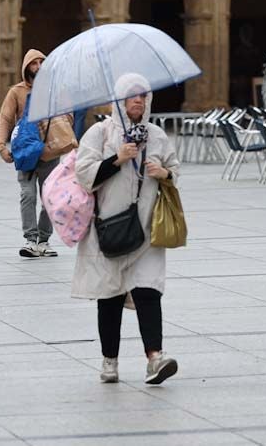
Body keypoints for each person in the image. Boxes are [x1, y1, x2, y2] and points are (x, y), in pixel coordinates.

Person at [73, 73, 181, 386]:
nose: (138, 100)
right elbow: (84, 173)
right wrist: (117, 158)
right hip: (109, 229)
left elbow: (175, 171)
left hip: (147, 231)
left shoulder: (157, 136)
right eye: (132, 95)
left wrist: (164, 173)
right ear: (119, 100)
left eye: (143, 95)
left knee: (149, 291)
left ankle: (155, 359)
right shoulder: (100, 132)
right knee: (110, 296)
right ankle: (110, 361)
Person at [0, 49, 78, 258]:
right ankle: (30, 239)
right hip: (25, 153)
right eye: (34, 63)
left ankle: (44, 239)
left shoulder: (56, 90)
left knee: (49, 197)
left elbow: (68, 116)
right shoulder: (16, 91)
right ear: (26, 67)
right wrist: (1, 146)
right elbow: (5, 119)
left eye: (42, 62)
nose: (39, 66)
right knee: (27, 194)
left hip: (50, 153)